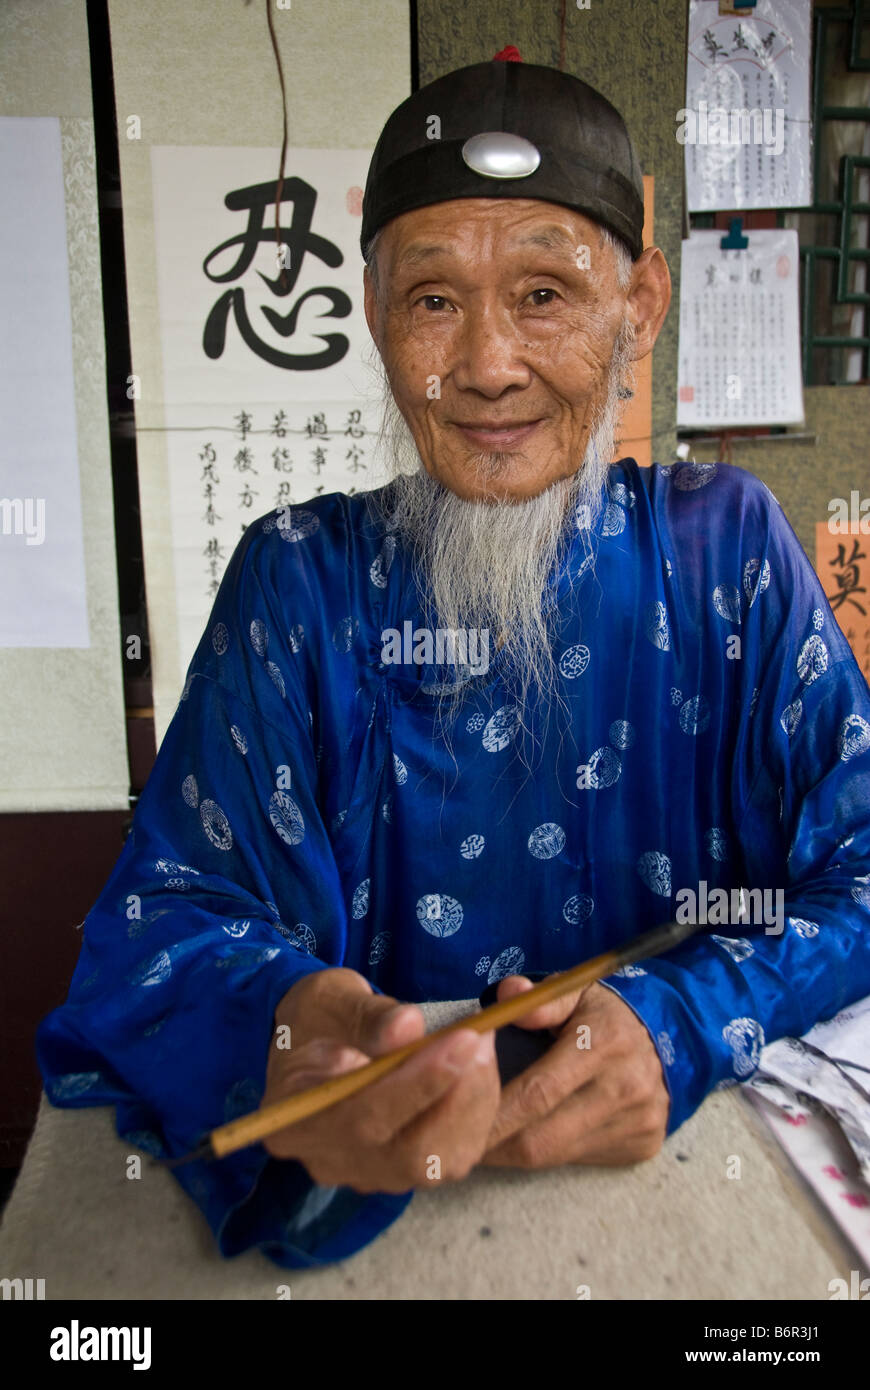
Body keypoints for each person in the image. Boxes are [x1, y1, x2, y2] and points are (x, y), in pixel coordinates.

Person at [37, 54, 870, 1270]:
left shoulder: (725, 550)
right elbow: (162, 920)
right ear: (374, 314)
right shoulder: (299, 582)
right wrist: (292, 1022)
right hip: (398, 1237)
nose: (485, 364)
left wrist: (689, 1014)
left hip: (679, 1224)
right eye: (433, 300)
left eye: (545, 294)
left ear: (638, 307)